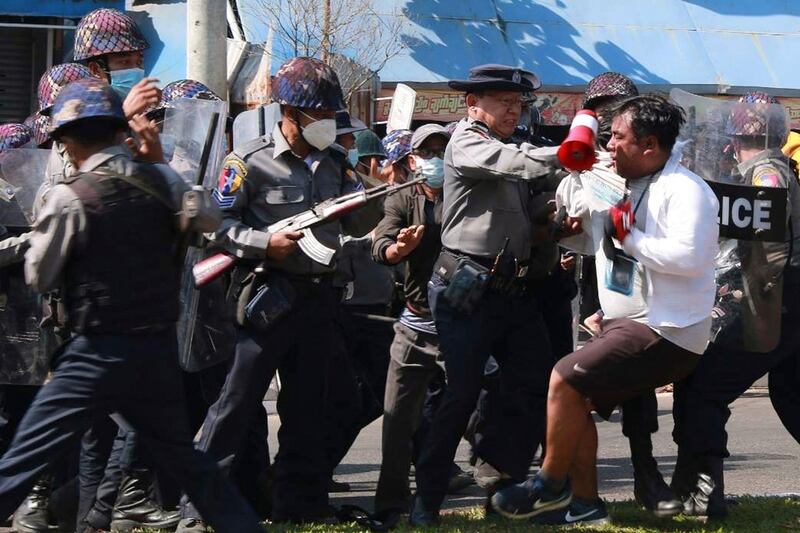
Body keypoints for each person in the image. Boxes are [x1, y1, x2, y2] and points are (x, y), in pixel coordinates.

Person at [0, 77, 263, 533]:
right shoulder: (162, 179)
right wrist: (158, 164)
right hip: (155, 351)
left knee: (26, 455)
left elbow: (39, 275)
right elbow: (208, 220)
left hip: (94, 353)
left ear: (67, 141)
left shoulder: (69, 195)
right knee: (187, 461)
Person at [491, 95, 719, 525]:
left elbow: (689, 258)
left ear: (649, 145)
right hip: (625, 323)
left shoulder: (688, 191)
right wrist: (571, 222)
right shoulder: (617, 183)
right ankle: (586, 502)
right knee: (572, 401)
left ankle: (549, 486)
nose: (608, 145)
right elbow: (590, 239)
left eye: (617, 137)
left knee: (563, 376)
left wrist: (629, 237)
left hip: (666, 328)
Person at [176, 56, 382, 531]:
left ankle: (300, 502)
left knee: (310, 406)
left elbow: (358, 223)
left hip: (320, 298)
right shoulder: (247, 163)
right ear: (290, 111)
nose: (328, 123)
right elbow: (215, 227)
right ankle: (199, 510)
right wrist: (262, 241)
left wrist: (367, 195)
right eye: (320, 114)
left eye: (332, 113)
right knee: (234, 406)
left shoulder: (335, 165)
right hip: (266, 297)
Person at [408, 64, 569, 526]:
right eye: (503, 101)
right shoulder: (467, 142)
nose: (513, 110)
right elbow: (514, 165)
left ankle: (504, 485)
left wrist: (559, 213)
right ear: (472, 104)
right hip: (469, 287)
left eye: (518, 104)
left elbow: (526, 206)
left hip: (511, 290)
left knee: (533, 384)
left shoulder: (509, 147)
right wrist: (570, 153)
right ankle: (429, 498)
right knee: (460, 393)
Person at [671, 92, 800, 519]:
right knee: (791, 394)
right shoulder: (760, 168)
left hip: (777, 302)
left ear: (736, 133)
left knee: (705, 389)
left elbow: (771, 248)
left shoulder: (766, 173)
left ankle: (703, 498)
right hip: (785, 299)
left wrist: (749, 292)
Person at [73, 7, 160, 119]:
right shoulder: (79, 114)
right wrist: (125, 115)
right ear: (95, 70)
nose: (136, 70)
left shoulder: (145, 111)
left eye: (139, 62)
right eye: (124, 62)